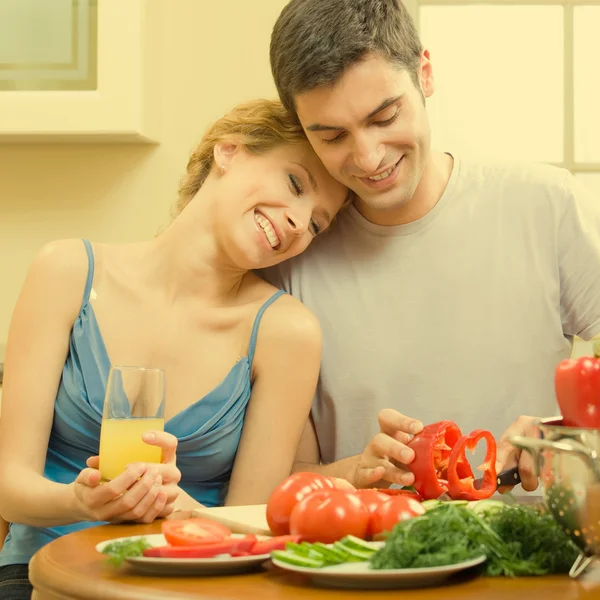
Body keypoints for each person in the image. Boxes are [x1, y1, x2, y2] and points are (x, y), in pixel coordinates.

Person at [0, 98, 348, 598]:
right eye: (294, 183)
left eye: (317, 223)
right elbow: (12, 489)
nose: (298, 222)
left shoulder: (287, 333)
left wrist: (177, 504)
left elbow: (246, 528)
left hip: (187, 585)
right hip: (42, 574)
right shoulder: (66, 271)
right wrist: (84, 502)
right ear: (229, 151)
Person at [264, 0, 600, 493]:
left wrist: (559, 429)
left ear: (424, 74)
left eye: (384, 117)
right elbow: (276, 480)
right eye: (333, 136)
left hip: (535, 553)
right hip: (371, 558)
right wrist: (355, 473)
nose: (369, 158)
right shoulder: (292, 257)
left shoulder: (546, 205)